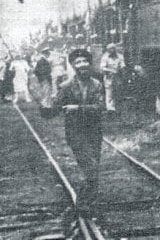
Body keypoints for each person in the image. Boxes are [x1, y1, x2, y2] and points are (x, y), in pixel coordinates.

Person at [50, 48, 105, 212]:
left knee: (93, 167)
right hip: (76, 133)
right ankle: (82, 204)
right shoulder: (66, 86)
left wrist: (77, 108)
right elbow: (55, 109)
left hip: (94, 131)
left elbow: (100, 107)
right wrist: (47, 103)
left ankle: (90, 201)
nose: (82, 65)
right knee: (90, 167)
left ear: (89, 63)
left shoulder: (97, 84)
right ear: (73, 65)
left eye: (85, 61)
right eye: (78, 62)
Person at [99, 43, 125, 112]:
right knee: (109, 93)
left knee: (118, 92)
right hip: (109, 77)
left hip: (118, 77)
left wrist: (123, 72)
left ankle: (118, 108)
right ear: (108, 50)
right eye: (110, 49)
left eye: (113, 48)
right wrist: (110, 70)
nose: (112, 50)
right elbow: (102, 68)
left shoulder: (120, 56)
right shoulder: (105, 57)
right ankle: (110, 109)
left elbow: (122, 66)